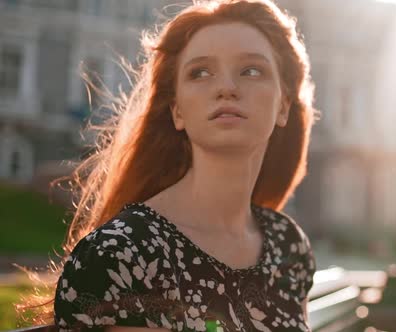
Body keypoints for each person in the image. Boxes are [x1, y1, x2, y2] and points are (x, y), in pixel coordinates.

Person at [25, 0, 318, 330]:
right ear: (177, 111)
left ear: (283, 107)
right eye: (200, 73)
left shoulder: (287, 244)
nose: (226, 88)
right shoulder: (125, 253)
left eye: (251, 70)